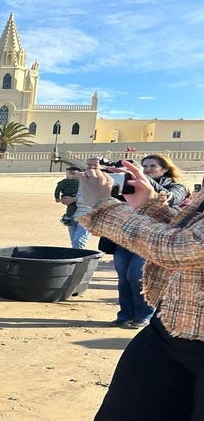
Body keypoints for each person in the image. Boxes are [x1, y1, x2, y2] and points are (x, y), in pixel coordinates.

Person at [78, 161, 204, 421]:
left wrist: (105, 208)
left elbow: (186, 248)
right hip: (171, 329)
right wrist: (149, 208)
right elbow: (189, 235)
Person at [108, 154, 187, 329]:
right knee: (124, 279)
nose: (148, 169)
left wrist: (143, 181)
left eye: (153, 166)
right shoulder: (131, 186)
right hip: (126, 238)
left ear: (165, 169)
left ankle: (144, 315)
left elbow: (169, 197)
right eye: (145, 166)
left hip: (151, 240)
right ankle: (125, 314)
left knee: (137, 276)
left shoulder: (177, 186)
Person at [60, 156, 98, 248]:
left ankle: (78, 262)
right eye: (89, 164)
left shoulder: (100, 181)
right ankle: (78, 262)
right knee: (74, 243)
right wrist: (65, 199)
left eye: (95, 165)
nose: (91, 167)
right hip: (72, 216)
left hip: (86, 217)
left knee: (79, 243)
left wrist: (74, 199)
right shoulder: (77, 181)